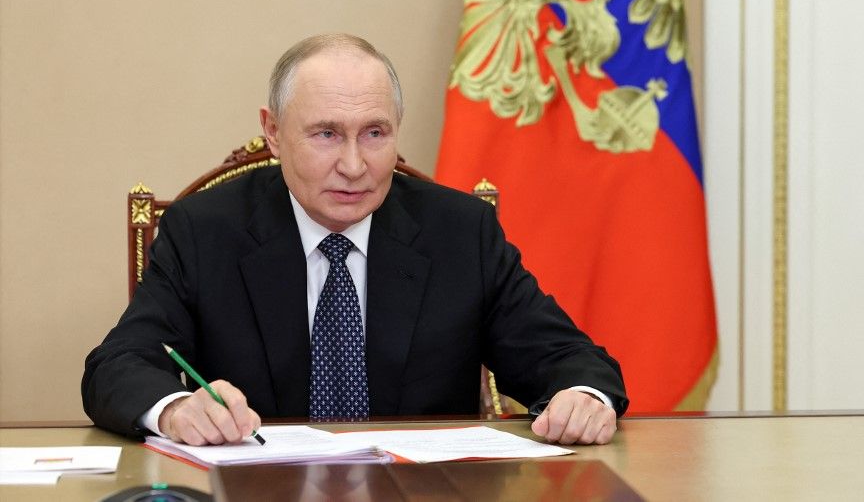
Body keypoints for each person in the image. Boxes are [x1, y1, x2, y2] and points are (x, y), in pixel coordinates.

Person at [83, 33, 628, 447]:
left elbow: (567, 357)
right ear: (272, 132)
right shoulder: (206, 231)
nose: (354, 165)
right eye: (325, 134)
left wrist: (582, 396)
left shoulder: (459, 232)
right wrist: (178, 409)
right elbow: (117, 365)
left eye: (375, 133)